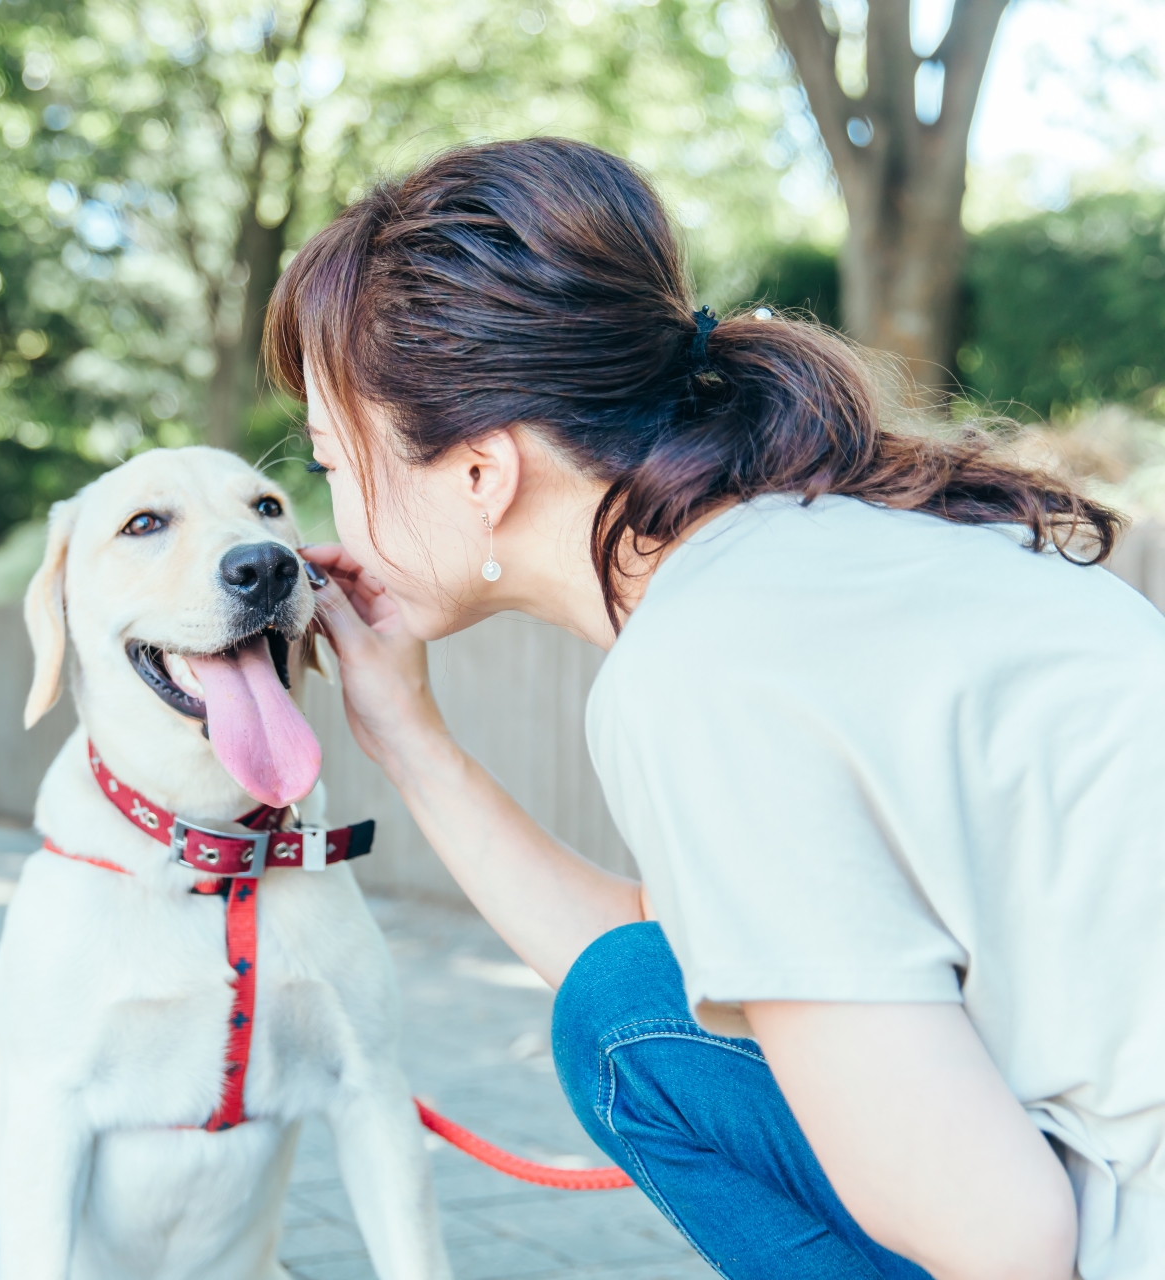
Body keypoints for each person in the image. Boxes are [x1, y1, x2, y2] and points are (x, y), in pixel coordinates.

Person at [273, 138, 1165, 1280]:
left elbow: (1004, 1238)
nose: (333, 515)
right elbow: (669, 964)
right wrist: (407, 736)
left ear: (482, 474)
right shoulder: (856, 541)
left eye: (333, 462)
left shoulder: (709, 666)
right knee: (628, 1005)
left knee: (628, 1028)